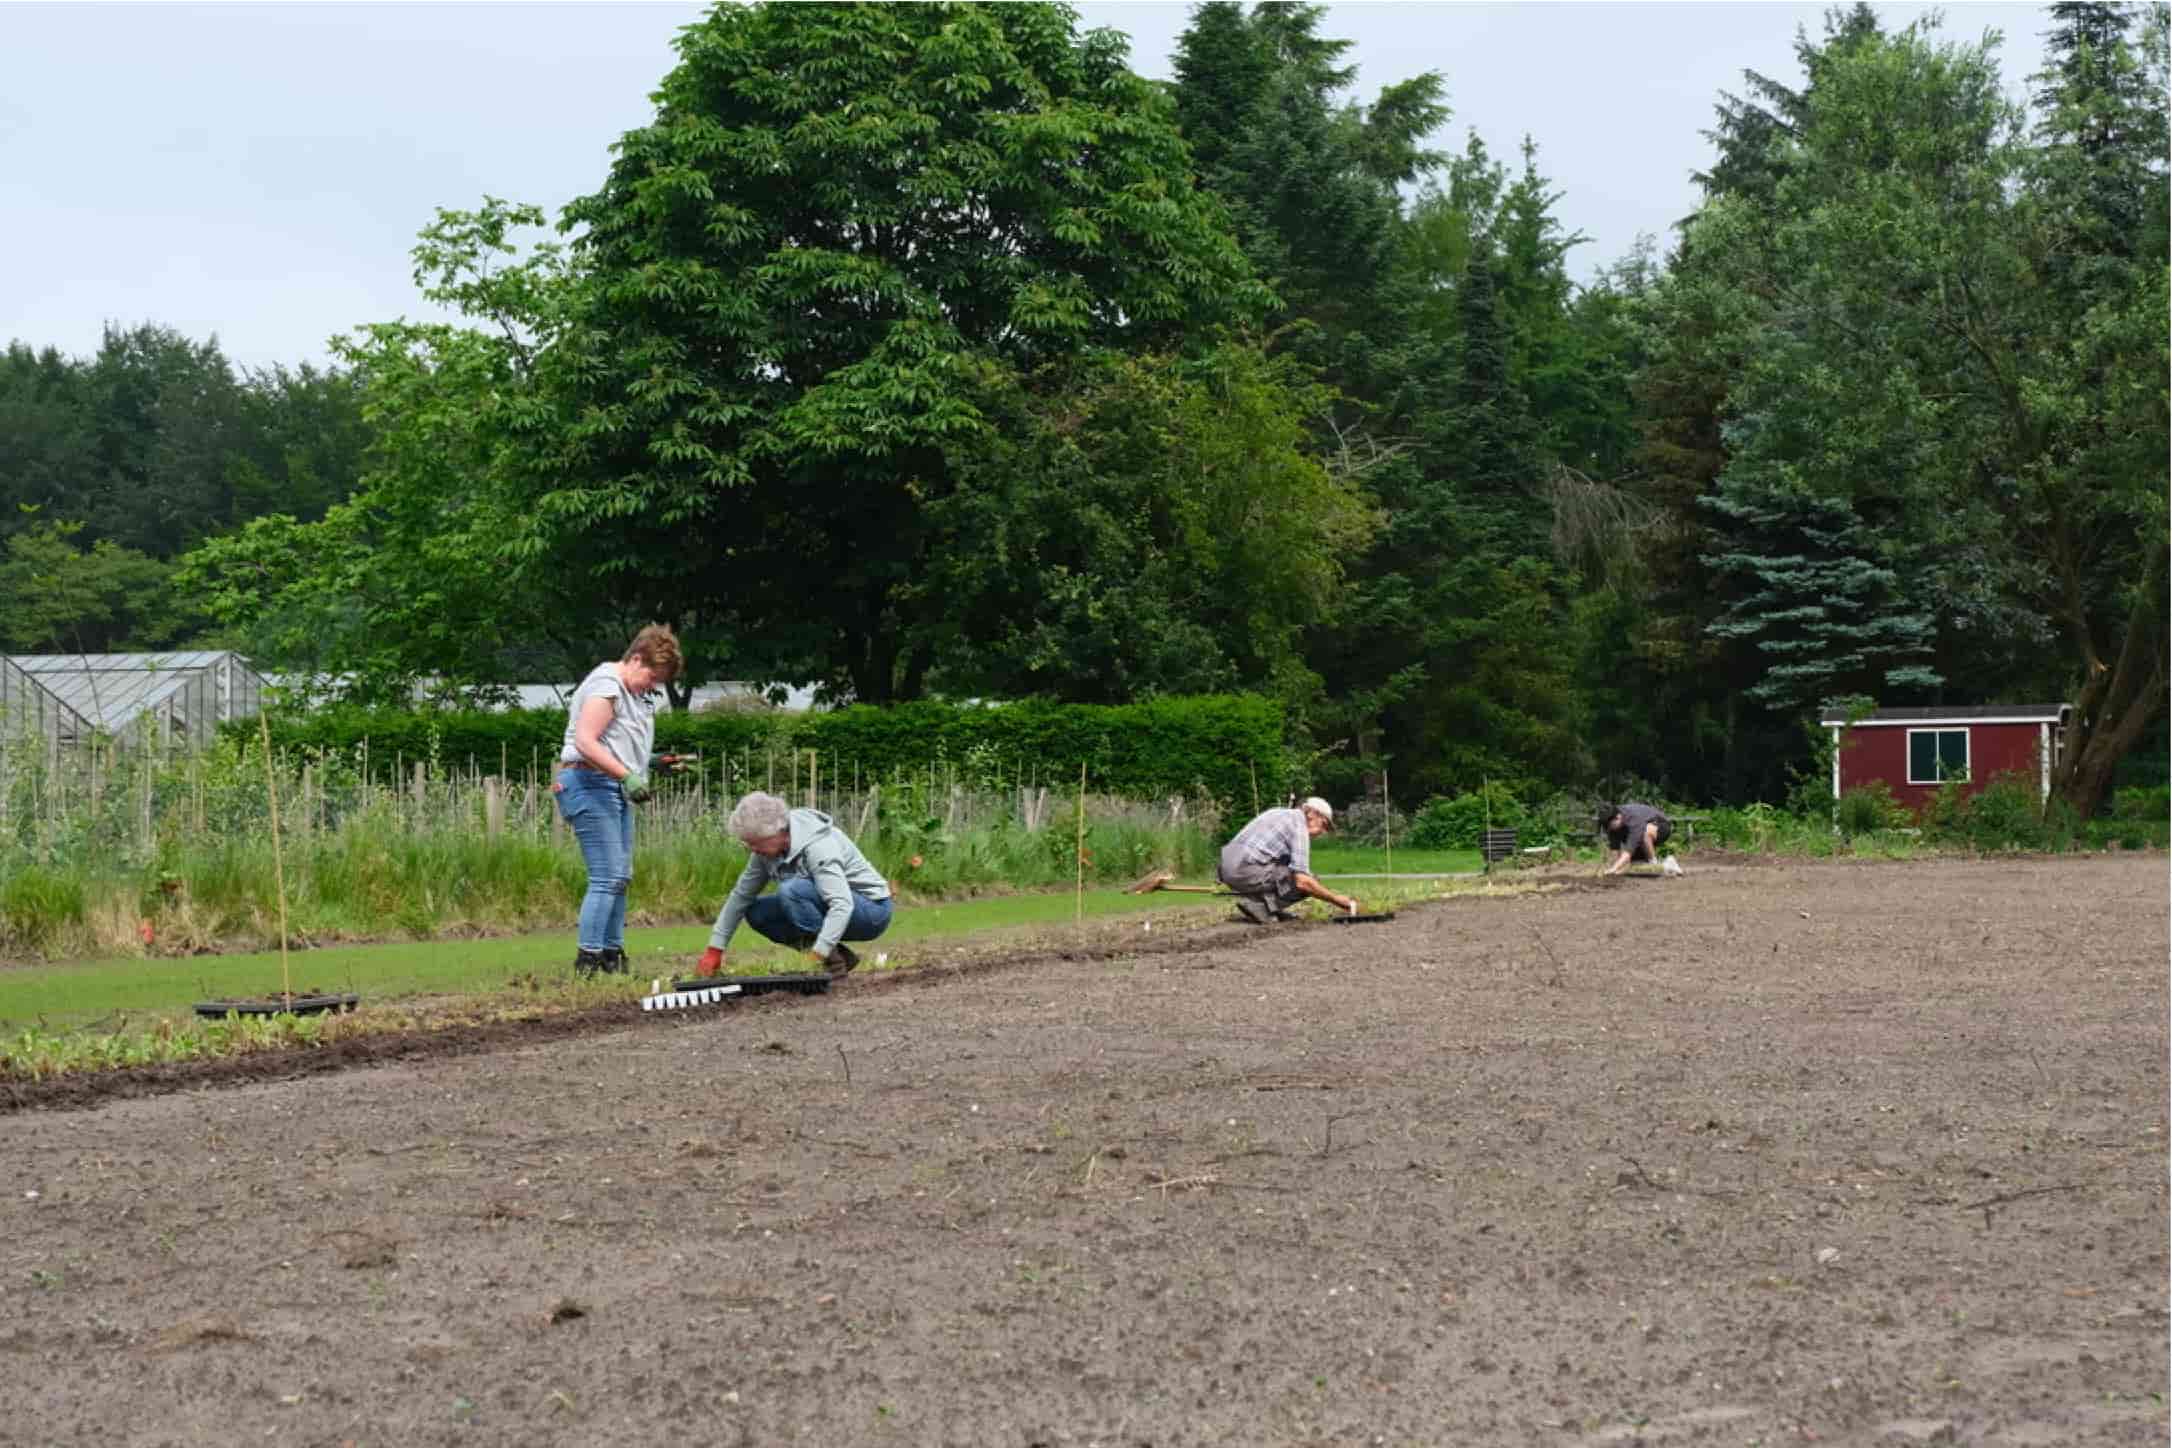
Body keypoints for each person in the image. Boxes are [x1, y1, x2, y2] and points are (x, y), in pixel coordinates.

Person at [555, 624, 681, 975]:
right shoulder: (607, 685)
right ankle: (589, 960)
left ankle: (612, 955)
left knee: (621, 876)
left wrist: (651, 762)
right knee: (607, 875)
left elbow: (615, 744)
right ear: (636, 659)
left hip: (609, 785)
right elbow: (585, 741)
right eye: (652, 677)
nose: (652, 686)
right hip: (587, 782)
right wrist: (627, 775)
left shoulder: (631, 693)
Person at [696, 791, 894, 977]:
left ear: (777, 832)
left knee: (792, 890)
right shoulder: (764, 853)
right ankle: (839, 957)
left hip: (871, 911)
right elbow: (740, 896)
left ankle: (829, 963)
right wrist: (715, 949)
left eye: (755, 843)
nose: (752, 849)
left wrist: (817, 954)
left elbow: (842, 905)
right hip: (833, 909)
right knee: (757, 912)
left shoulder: (818, 846)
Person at [1217, 796, 1358, 924]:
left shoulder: (1278, 812)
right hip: (1245, 869)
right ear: (1312, 814)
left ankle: (1268, 907)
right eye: (1324, 825)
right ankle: (1261, 908)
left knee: (1286, 863)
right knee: (1309, 880)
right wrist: (1335, 899)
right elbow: (1303, 882)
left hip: (1226, 865)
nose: (1323, 832)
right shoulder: (1299, 826)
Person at [1598, 801, 1675, 876]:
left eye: (1610, 825)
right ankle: (1669, 866)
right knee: (1636, 863)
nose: (1608, 828)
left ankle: (1654, 862)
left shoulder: (1633, 820)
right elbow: (1615, 849)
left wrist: (1614, 868)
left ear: (1618, 817)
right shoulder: (1611, 825)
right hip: (1641, 834)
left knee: (1644, 832)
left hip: (1661, 826)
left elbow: (1628, 851)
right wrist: (1614, 869)